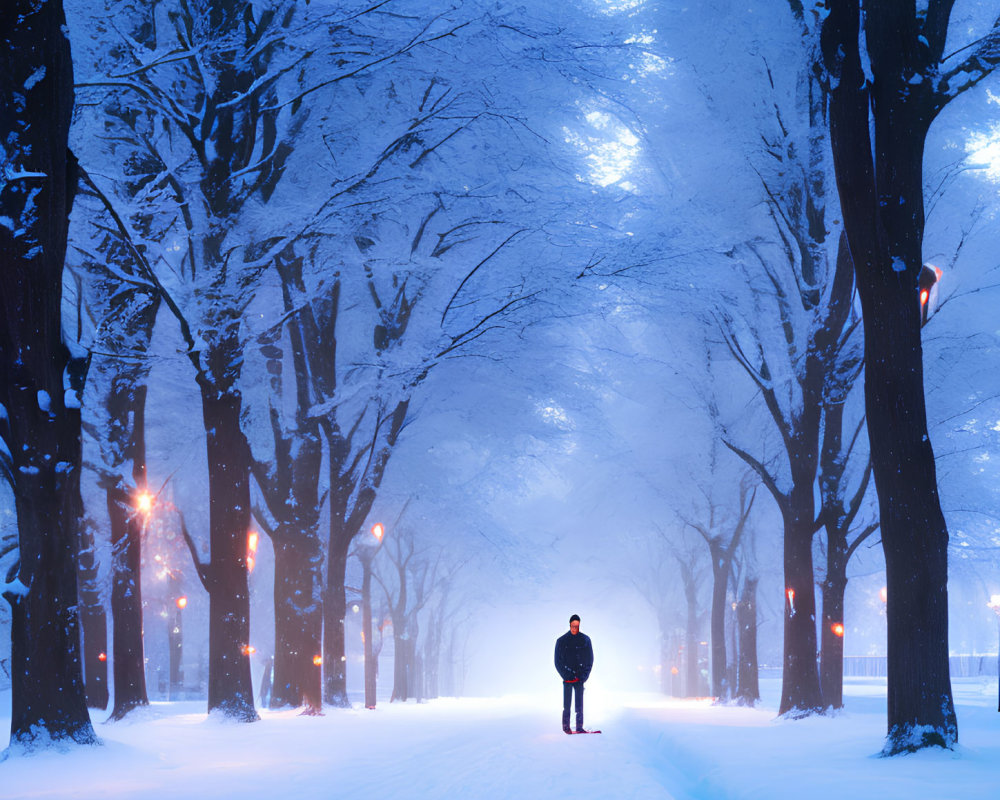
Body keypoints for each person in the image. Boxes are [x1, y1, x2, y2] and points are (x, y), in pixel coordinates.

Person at [554, 614, 594, 733]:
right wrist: (566, 674)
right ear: (569, 625)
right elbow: (557, 662)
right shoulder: (561, 641)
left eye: (577, 626)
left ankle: (579, 726)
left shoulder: (585, 640)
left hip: (580, 678)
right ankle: (566, 727)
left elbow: (590, 660)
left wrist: (584, 676)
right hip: (567, 678)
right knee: (566, 705)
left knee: (579, 705)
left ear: (579, 625)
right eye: (573, 626)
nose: (575, 628)